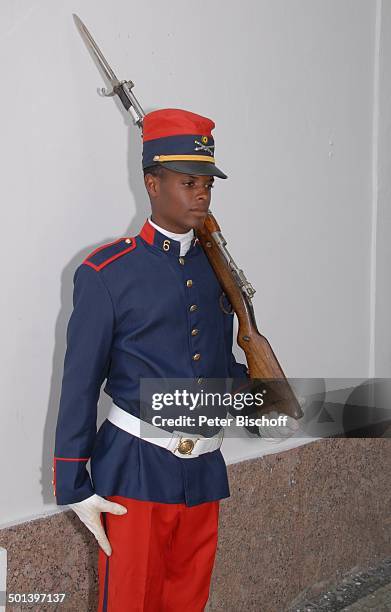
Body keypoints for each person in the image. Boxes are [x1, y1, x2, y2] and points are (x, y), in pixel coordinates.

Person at [53, 108, 298, 611]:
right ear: (152, 183)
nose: (202, 194)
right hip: (134, 473)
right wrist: (73, 484)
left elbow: (219, 364)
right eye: (189, 182)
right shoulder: (106, 273)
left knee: (188, 602)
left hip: (203, 471)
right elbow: (78, 384)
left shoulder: (214, 271)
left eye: (207, 183)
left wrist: (260, 408)